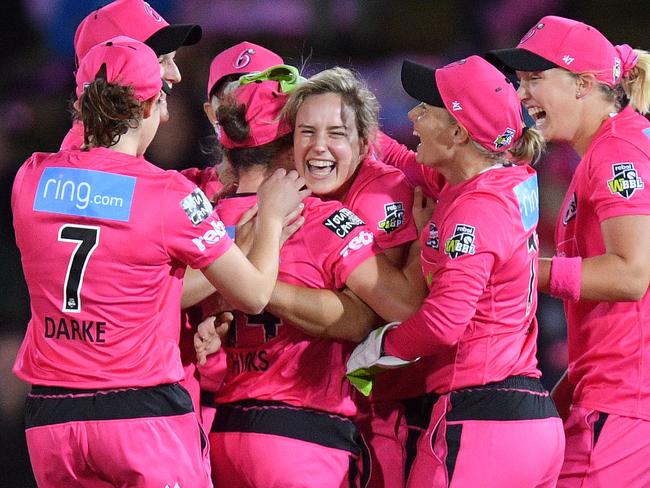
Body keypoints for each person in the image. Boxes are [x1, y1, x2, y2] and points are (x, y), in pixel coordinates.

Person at [11, 36, 307, 488]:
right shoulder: (170, 195)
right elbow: (254, 293)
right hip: (139, 417)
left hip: (52, 422)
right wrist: (267, 221)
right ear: (152, 108)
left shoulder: (30, 179)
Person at [197, 66, 425, 488]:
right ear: (286, 144)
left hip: (219, 437)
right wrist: (421, 237)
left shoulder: (200, 219)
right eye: (305, 132)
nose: (317, 147)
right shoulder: (324, 219)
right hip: (302, 437)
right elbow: (402, 309)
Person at [347, 55, 565, 487]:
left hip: (480, 421)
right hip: (527, 420)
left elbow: (444, 324)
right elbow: (401, 157)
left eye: (426, 109)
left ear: (458, 133)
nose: (412, 115)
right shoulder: (500, 178)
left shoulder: (474, 211)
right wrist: (342, 112)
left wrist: (372, 352)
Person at [486, 15, 650, 487]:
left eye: (536, 79)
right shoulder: (606, 149)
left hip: (625, 406)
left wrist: (518, 269)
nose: (521, 95)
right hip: (611, 397)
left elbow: (631, 275)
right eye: (519, 82)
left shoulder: (619, 152)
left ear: (582, 84)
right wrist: (561, 401)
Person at [61, 0, 202, 150]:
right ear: (107, 68)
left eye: (173, 59)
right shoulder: (97, 159)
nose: (176, 76)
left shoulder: (111, 149)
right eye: (160, 60)